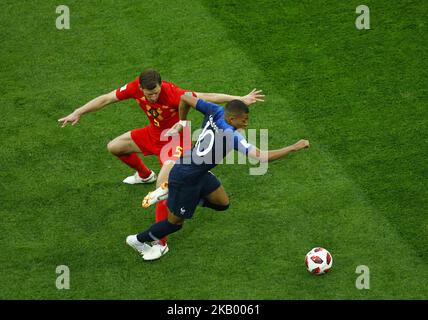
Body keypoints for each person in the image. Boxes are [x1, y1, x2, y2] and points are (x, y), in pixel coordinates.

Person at [58, 69, 264, 259]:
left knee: (164, 185)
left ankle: (160, 242)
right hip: (154, 133)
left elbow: (203, 96)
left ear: (160, 85)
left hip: (176, 140)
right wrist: (78, 111)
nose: (153, 97)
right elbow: (106, 98)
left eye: (156, 92)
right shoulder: (133, 88)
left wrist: (239, 99)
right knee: (115, 147)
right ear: (140, 89)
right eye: (149, 95)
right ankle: (145, 175)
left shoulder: (172, 92)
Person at [126, 93, 310, 261]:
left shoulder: (215, 110)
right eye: (244, 120)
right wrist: (294, 147)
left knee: (223, 203)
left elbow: (185, 97)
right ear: (231, 118)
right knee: (174, 224)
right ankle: (137, 240)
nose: (246, 123)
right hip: (185, 178)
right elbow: (262, 156)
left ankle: (173, 192)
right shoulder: (231, 136)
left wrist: (182, 122)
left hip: (197, 172)